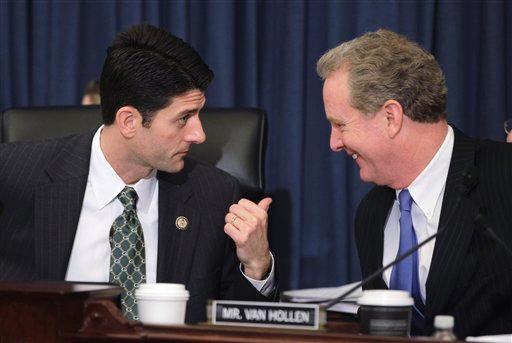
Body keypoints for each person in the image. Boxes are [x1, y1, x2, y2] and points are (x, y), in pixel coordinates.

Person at [0, 23, 276, 323]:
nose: (199, 134)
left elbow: (242, 325)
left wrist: (257, 266)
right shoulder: (16, 174)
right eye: (183, 118)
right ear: (129, 121)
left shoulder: (215, 196)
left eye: (199, 114)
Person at [316, 29, 512, 338]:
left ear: (391, 117)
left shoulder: (503, 174)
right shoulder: (371, 214)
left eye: (340, 125)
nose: (334, 143)